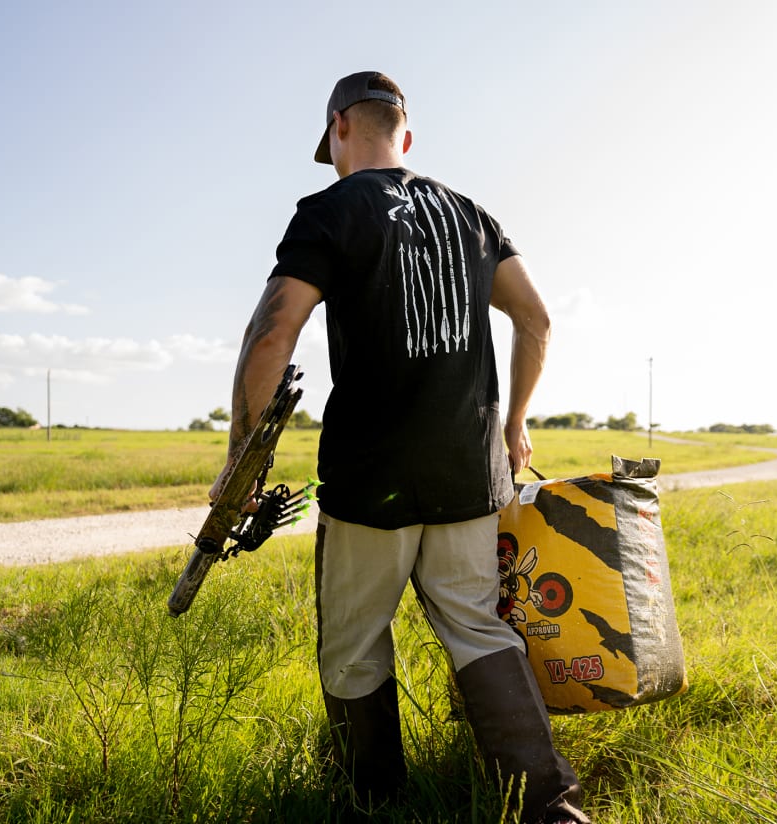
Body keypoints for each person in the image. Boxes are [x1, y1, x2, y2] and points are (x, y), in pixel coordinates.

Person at [212, 70, 588, 824]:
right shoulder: (471, 215)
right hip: (466, 473)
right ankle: (552, 810)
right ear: (406, 135)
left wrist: (239, 461)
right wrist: (514, 425)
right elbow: (537, 320)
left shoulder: (329, 210)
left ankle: (377, 804)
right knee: (477, 628)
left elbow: (271, 332)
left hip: (367, 477)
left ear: (340, 128)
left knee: (353, 643)